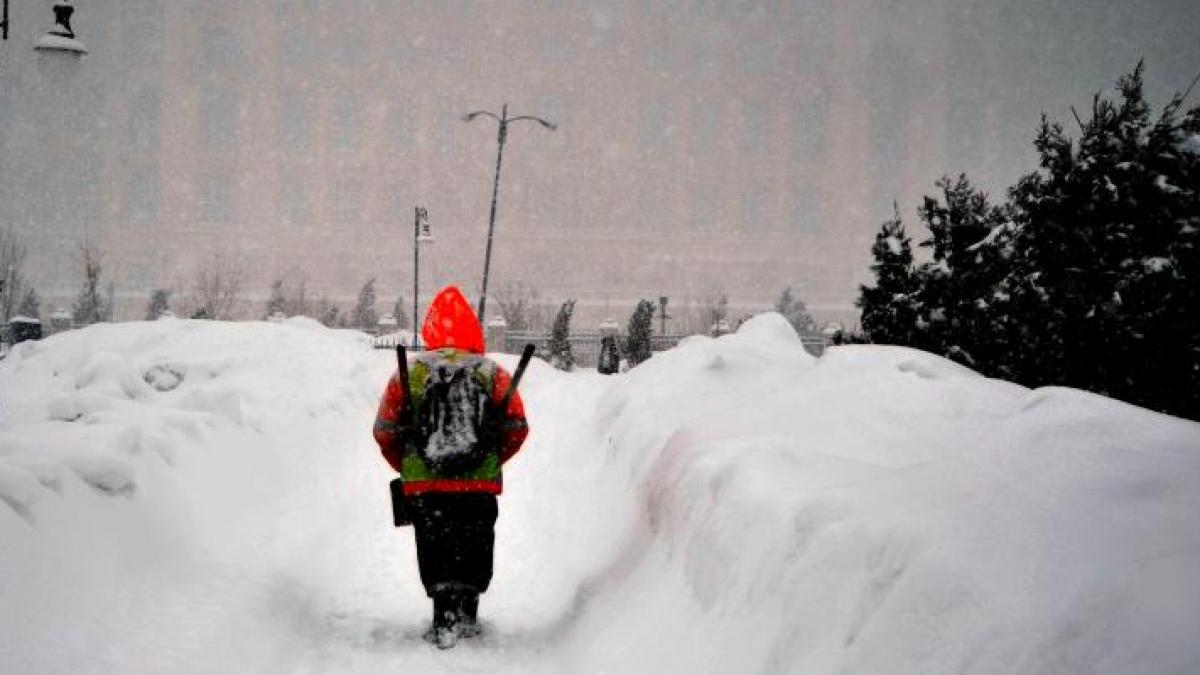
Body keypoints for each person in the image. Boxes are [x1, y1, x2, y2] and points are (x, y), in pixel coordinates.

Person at [372, 285, 529, 648]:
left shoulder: (410, 374)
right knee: (474, 543)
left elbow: (384, 429)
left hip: (426, 487)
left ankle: (443, 615)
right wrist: (489, 458)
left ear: (430, 328)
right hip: (478, 487)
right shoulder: (492, 373)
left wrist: (410, 464)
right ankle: (469, 611)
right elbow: (517, 427)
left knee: (435, 545)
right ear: (473, 328)